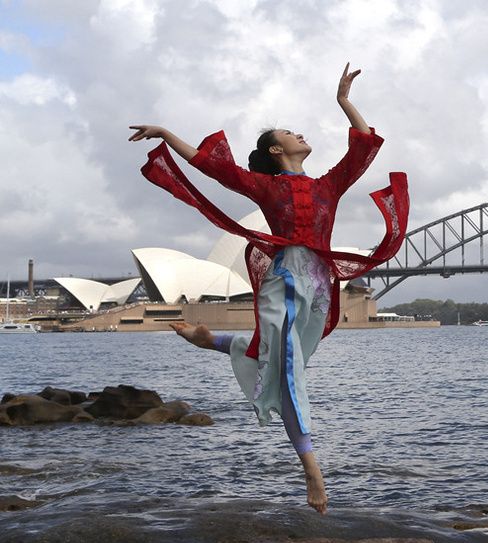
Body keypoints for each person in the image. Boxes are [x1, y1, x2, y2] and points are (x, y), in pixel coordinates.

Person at [128, 63, 409, 515]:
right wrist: (166, 132)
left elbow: (364, 147)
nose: (300, 135)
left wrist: (344, 101)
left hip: (319, 287)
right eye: (291, 133)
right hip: (283, 281)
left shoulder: (327, 185)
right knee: (290, 373)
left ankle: (216, 341)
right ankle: (312, 472)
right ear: (277, 149)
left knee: (282, 360)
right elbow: (209, 166)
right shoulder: (263, 185)